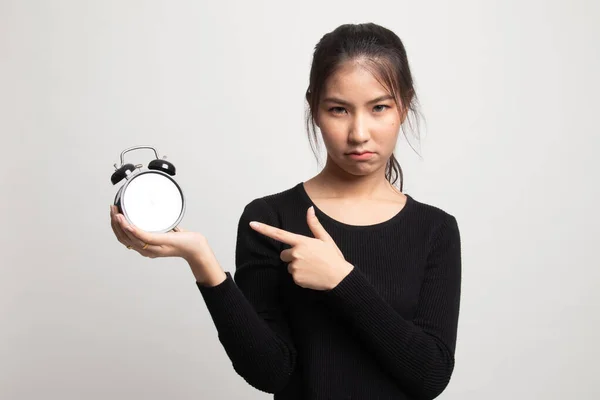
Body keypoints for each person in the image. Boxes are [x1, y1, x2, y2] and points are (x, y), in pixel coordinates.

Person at [109, 22, 462, 400]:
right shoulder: (270, 220)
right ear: (314, 108)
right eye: (339, 109)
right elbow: (270, 373)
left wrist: (342, 280)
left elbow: (430, 376)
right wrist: (203, 264)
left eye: (379, 107)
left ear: (404, 106)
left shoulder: (435, 230)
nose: (359, 132)